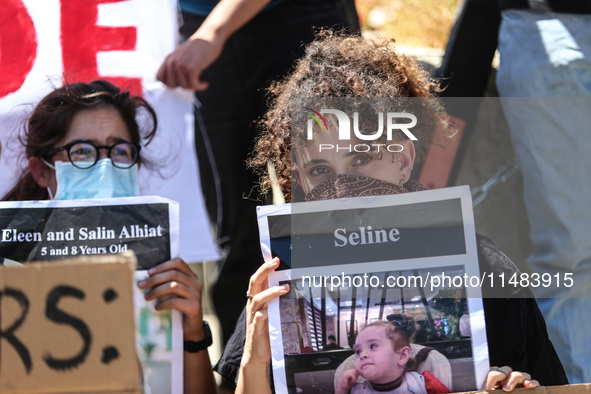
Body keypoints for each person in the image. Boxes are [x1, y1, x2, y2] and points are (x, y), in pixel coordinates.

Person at [213, 31, 569, 394]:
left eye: (362, 159)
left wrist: (514, 387)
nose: (342, 187)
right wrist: (253, 360)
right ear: (300, 179)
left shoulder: (484, 267)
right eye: (320, 170)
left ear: (404, 160)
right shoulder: (283, 275)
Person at [156, 0, 357, 345]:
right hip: (195, 26)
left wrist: (212, 34)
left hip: (297, 20)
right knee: (234, 228)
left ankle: (350, 344)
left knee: (335, 205)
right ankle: (244, 366)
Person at [1, 80, 216, 394]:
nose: (105, 166)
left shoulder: (162, 276)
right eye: (82, 151)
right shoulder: (9, 271)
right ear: (41, 170)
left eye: (119, 151)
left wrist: (193, 332)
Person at [335, 314, 452, 390]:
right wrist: (342, 390)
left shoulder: (424, 384)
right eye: (358, 351)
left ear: (402, 356)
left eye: (373, 346)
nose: (362, 355)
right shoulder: (355, 390)